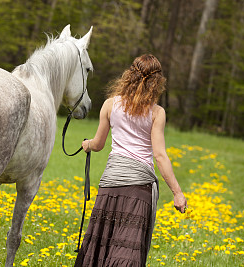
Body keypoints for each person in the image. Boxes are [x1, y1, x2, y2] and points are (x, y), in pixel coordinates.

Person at [74, 54, 187, 267]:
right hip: (139, 189)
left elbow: (98, 144)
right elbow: (160, 156)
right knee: (127, 250)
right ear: (157, 82)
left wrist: (87, 144)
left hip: (111, 185)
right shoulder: (156, 113)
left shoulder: (109, 105)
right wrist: (177, 193)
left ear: (129, 75)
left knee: (102, 243)